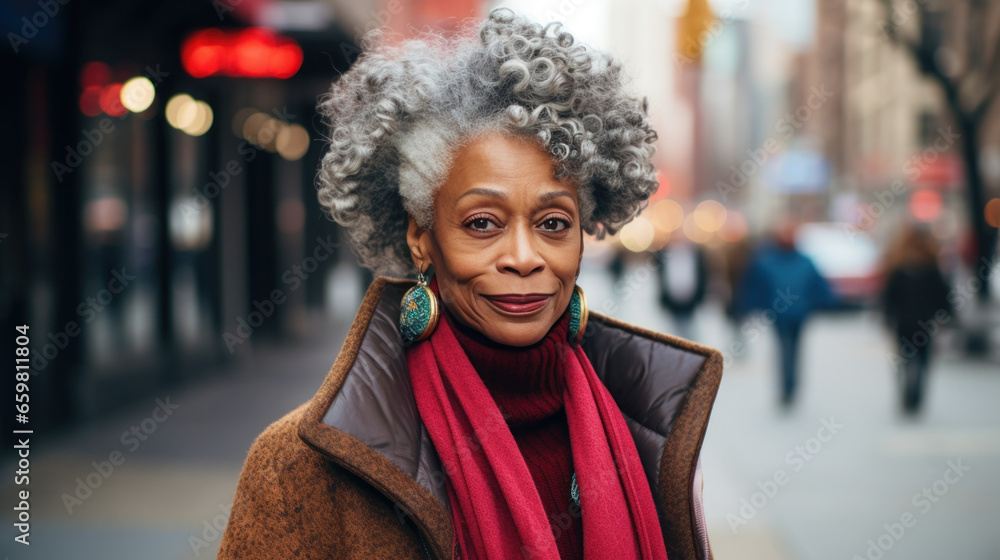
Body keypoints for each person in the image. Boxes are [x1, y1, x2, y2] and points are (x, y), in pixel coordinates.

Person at [218, 9, 723, 560]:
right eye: (482, 223)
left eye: (554, 223)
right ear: (421, 239)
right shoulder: (303, 467)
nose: (524, 258)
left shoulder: (647, 430)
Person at [737, 219, 836, 406]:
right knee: (784, 350)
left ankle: (792, 387)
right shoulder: (766, 261)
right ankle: (786, 388)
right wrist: (749, 307)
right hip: (779, 317)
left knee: (795, 351)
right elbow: (755, 287)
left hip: (799, 315)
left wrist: (825, 303)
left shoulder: (805, 261)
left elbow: (818, 286)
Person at [880, 225, 953, 414]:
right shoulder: (931, 267)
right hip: (924, 323)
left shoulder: (899, 267)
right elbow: (943, 297)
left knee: (905, 360)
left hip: (904, 323)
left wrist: (887, 318)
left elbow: (889, 297)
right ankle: (915, 396)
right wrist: (946, 317)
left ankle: (907, 393)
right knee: (922, 361)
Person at [654, 236, 708, 340]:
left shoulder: (696, 253)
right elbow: (660, 278)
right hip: (671, 303)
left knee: (690, 334)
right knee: (673, 335)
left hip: (691, 303)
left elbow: (702, 276)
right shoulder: (662, 254)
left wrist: (700, 298)